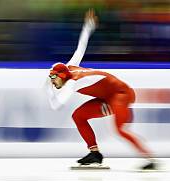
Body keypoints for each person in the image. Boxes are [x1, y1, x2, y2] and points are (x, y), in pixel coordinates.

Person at [45, 9, 157, 170]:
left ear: (62, 76)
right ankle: (95, 154)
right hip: (107, 97)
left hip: (121, 94)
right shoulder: (70, 67)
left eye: (54, 78)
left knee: (119, 129)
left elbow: (57, 105)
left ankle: (150, 158)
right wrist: (88, 27)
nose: (52, 82)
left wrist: (48, 91)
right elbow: (80, 48)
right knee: (78, 116)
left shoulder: (72, 82)